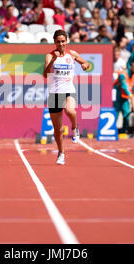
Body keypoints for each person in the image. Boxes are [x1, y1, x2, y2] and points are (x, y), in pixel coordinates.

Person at [43, 29, 90, 165]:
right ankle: (61, 153)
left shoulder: (72, 54)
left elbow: (84, 63)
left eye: (63, 41)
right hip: (54, 94)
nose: (61, 44)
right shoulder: (49, 55)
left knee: (70, 111)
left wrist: (85, 65)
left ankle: (75, 128)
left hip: (68, 90)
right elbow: (45, 74)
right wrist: (53, 60)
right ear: (54, 42)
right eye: (58, 42)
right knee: (58, 129)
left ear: (66, 41)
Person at [113, 61, 134, 134]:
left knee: (126, 113)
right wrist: (130, 95)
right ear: (131, 67)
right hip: (117, 97)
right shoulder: (123, 74)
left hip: (125, 98)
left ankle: (124, 130)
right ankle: (112, 130)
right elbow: (124, 86)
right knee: (116, 113)